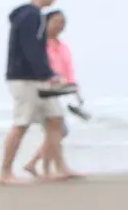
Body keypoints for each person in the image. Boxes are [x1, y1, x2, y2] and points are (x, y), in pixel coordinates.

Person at [0, 0, 67, 185]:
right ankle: (5, 172)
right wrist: (46, 73)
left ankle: (56, 168)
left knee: (56, 120)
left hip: (38, 77)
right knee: (21, 123)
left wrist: (47, 73)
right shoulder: (30, 15)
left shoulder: (34, 16)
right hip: (24, 78)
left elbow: (38, 50)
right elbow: (31, 49)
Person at [23, 10, 85, 180]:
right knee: (56, 130)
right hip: (40, 91)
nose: (60, 25)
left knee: (57, 131)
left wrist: (74, 88)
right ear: (46, 23)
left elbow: (68, 69)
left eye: (63, 22)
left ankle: (39, 165)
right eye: (56, 21)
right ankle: (51, 168)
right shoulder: (39, 45)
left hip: (57, 91)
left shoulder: (62, 46)